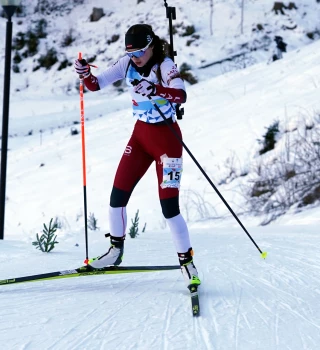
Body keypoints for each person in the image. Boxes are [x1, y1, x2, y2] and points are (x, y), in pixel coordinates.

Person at [74, 24, 200, 288]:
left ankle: (187, 263)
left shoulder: (165, 66)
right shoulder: (127, 63)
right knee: (117, 195)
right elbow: (96, 85)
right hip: (140, 137)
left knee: (169, 208)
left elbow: (181, 94)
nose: (135, 58)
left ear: (152, 45)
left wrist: (156, 90)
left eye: (140, 52)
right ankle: (115, 252)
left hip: (167, 143)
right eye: (131, 53)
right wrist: (85, 75)